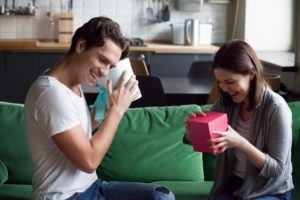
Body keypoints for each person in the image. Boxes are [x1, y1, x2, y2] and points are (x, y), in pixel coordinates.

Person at [25, 16, 175, 200]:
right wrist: (116, 111)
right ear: (81, 46)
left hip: (91, 186)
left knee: (160, 196)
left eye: (111, 66)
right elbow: (89, 161)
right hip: (65, 196)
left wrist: (106, 104)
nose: (105, 72)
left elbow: (79, 127)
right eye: (102, 60)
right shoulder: (50, 93)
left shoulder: (71, 83)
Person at [185, 40, 293, 199]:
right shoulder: (225, 102)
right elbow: (207, 143)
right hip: (233, 185)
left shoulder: (276, 108)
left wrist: (240, 142)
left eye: (230, 82)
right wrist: (192, 131)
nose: (224, 89)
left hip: (269, 190)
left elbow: (276, 169)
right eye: (220, 82)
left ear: (251, 74)